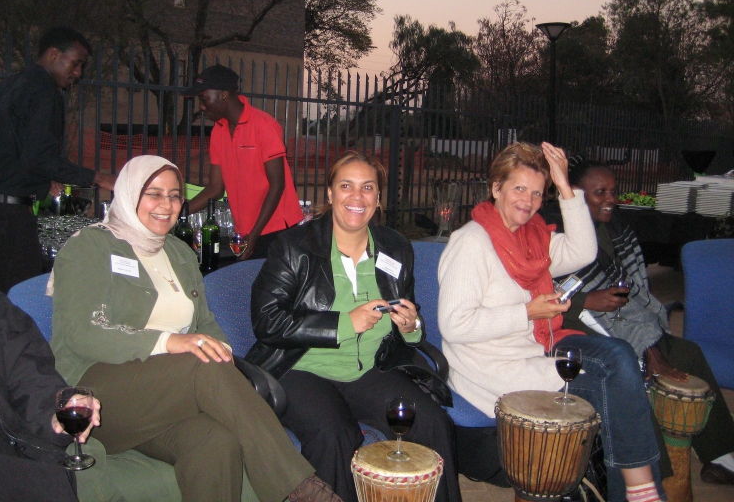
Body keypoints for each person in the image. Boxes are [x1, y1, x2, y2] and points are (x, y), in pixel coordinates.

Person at [49, 155, 339, 502]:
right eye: (154, 194)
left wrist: (222, 355)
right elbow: (83, 332)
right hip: (101, 396)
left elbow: (205, 325)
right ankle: (300, 489)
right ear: (128, 193)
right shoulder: (91, 246)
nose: (166, 205)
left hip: (168, 397)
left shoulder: (179, 253)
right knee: (200, 363)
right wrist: (170, 342)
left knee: (215, 443)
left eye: (174, 196)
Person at [438, 141, 666, 502]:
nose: (527, 201)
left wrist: (564, 185)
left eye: (536, 193)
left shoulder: (532, 238)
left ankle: (640, 488)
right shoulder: (471, 243)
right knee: (611, 390)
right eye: (518, 188)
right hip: (491, 367)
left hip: (537, 346)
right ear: (496, 188)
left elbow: (582, 251)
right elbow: (455, 326)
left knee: (620, 355)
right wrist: (528, 313)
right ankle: (638, 489)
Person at [246, 151, 460, 502]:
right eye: (346, 186)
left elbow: (409, 318)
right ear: (330, 194)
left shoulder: (395, 247)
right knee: (334, 434)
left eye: (368, 187)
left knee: (432, 422)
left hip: (370, 368)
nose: (357, 197)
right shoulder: (294, 247)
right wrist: (345, 323)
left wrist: (411, 326)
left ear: (378, 197)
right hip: (301, 367)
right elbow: (267, 320)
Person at [541, 156, 734, 486]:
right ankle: (654, 476)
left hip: (623, 318)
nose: (611, 199)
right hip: (575, 324)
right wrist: (587, 300)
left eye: (613, 191)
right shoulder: (551, 230)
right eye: (600, 192)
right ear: (573, 193)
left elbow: (635, 290)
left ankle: (721, 452)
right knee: (630, 364)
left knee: (687, 353)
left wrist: (647, 335)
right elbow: (539, 296)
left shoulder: (616, 228)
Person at [0, 245, 101, 502]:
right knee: (16, 479)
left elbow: (24, 363)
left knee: (42, 479)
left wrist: (52, 411)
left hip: (3, 430)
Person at [0, 26, 116, 293]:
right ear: (54, 54)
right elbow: (39, 156)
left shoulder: (9, 85)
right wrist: (99, 178)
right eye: (76, 63)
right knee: (23, 295)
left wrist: (42, 180)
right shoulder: (44, 91)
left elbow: (8, 151)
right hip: (9, 218)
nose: (78, 73)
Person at [184, 64, 302, 259]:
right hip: (247, 231)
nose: (201, 107)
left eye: (204, 99)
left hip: (277, 230)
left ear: (224, 95)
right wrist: (179, 212)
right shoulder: (218, 131)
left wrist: (255, 234)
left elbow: (277, 184)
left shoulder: (263, 125)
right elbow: (215, 189)